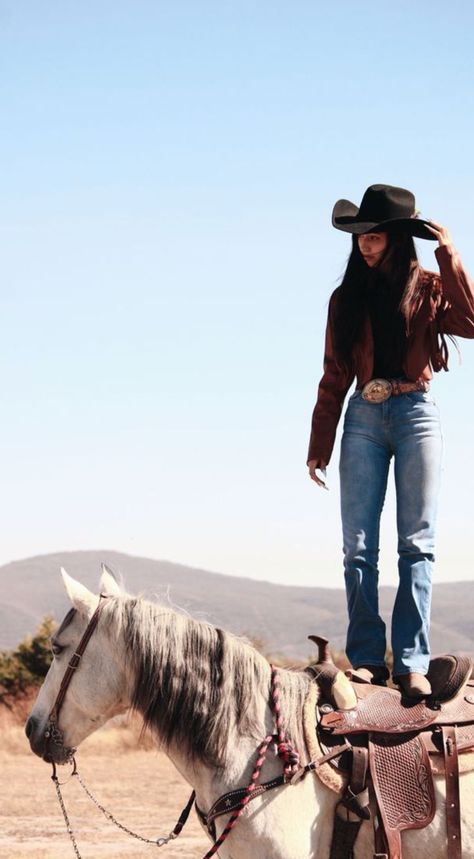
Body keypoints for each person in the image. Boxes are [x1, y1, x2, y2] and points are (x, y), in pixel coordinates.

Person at [307, 184, 474, 698]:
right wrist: (320, 443)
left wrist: (448, 252)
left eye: (375, 236)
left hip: (415, 413)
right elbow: (335, 373)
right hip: (362, 415)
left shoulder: (428, 287)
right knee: (357, 548)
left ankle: (411, 661)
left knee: (416, 545)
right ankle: (365, 660)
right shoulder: (345, 298)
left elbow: (470, 322)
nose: (365, 245)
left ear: (399, 240)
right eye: (361, 236)